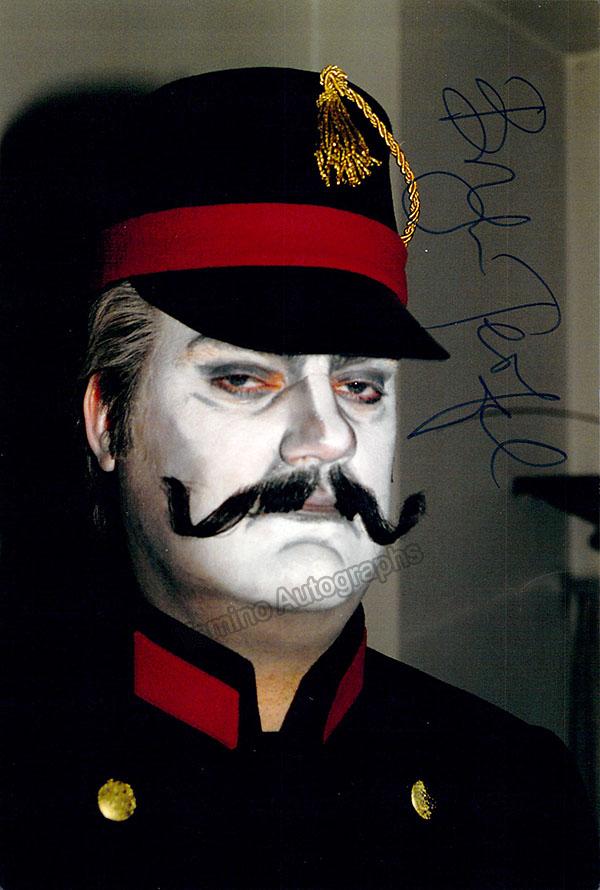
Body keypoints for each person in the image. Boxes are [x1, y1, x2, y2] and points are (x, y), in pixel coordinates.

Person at [2, 65, 598, 890]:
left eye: (361, 385)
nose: (328, 437)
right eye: (244, 378)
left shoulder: (515, 791)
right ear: (108, 420)